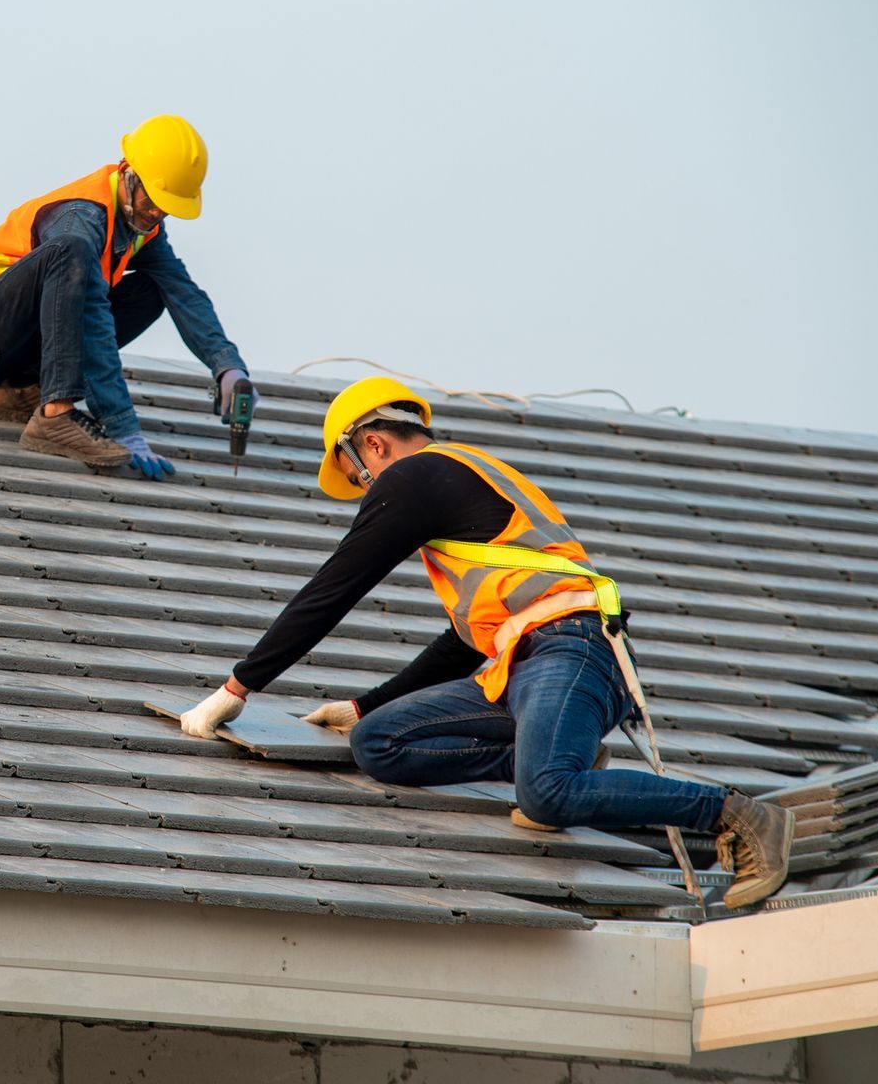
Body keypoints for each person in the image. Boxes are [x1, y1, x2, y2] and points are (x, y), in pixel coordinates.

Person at [176, 376, 796, 910]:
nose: (366, 496)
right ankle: (549, 754)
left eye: (357, 480)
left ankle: (737, 815)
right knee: (379, 743)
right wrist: (365, 707)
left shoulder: (416, 477)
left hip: (574, 648)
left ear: (370, 444)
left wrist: (238, 686)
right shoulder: (460, 480)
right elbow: (462, 643)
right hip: (525, 660)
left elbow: (334, 589)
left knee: (546, 796)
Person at [0, 115, 253, 478]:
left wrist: (226, 365)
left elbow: (183, 292)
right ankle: (55, 415)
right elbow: (90, 319)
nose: (156, 214)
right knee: (71, 255)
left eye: (166, 207)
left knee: (155, 286)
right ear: (129, 173)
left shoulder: (141, 224)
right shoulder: (81, 217)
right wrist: (122, 425)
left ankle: (24, 392)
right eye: (153, 201)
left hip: (18, 346)